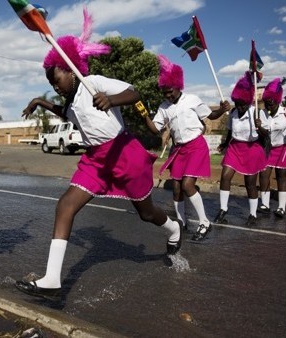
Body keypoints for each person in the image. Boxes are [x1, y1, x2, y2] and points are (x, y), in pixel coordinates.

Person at [15, 9, 182, 301]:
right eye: (51, 84)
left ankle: (172, 227)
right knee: (65, 205)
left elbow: (134, 93)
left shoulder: (95, 82)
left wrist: (111, 99)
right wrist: (41, 101)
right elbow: (65, 112)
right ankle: (52, 280)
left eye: (57, 79)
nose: (55, 86)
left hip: (123, 153)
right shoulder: (71, 101)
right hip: (95, 160)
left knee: (146, 213)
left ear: (70, 68)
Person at [141, 55, 229, 240]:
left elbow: (210, 115)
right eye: (164, 92)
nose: (168, 95)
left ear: (178, 85)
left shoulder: (192, 99)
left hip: (196, 146)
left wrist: (222, 110)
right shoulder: (164, 107)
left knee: (188, 185)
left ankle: (204, 222)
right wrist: (143, 115)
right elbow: (155, 129)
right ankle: (181, 222)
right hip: (179, 150)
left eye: (170, 91)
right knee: (176, 189)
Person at [214, 72, 269, 226]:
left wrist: (260, 127)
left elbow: (266, 133)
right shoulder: (233, 113)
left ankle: (253, 214)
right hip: (235, 148)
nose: (240, 107)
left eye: (242, 104)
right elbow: (230, 131)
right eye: (237, 103)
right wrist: (225, 143)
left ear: (248, 101)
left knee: (250, 184)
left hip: (252, 149)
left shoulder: (256, 112)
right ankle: (223, 209)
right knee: (225, 176)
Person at [258, 78, 286, 218]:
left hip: (283, 148)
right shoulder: (262, 113)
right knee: (264, 175)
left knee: (282, 177)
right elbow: (262, 133)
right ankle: (265, 204)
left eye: (271, 103)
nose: (269, 106)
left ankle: (281, 207)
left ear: (277, 100)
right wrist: (259, 126)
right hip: (267, 148)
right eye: (267, 103)